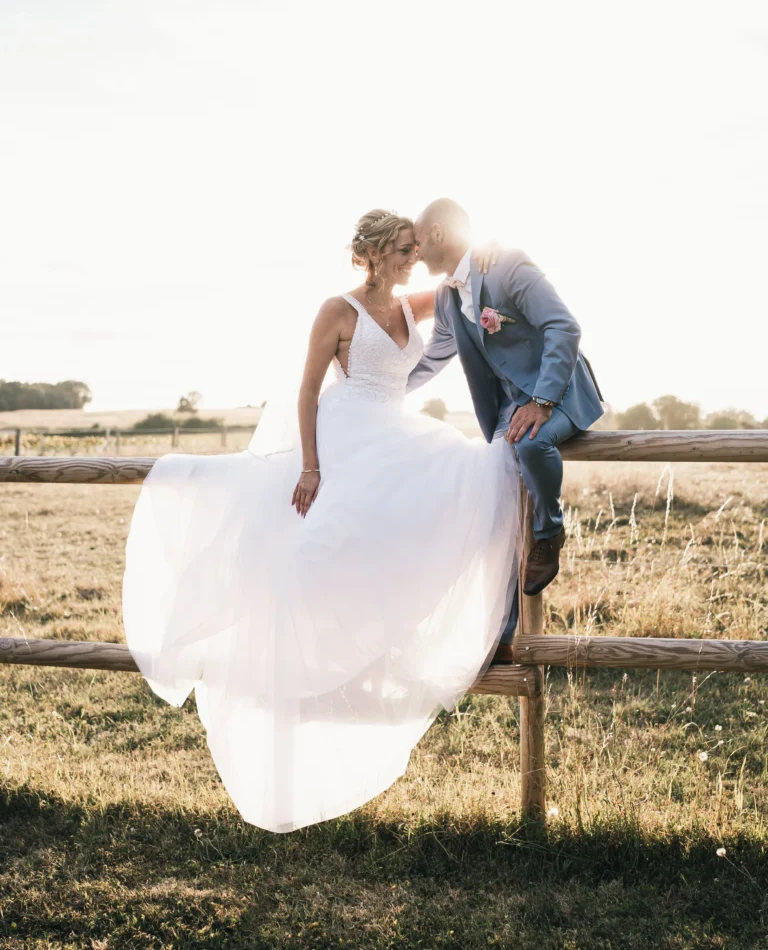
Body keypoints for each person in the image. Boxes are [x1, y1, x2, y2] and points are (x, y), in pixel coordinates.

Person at [122, 209, 522, 834]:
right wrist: (310, 466)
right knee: (322, 546)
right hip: (344, 434)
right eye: (403, 249)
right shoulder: (337, 311)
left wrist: (487, 255)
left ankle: (395, 641)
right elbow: (307, 391)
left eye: (415, 248)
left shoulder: (411, 303)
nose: (413, 258)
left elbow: (457, 285)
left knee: (463, 479)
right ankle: (313, 665)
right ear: (373, 253)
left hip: (394, 431)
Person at [408, 198, 604, 643]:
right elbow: (433, 358)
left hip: (558, 393)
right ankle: (504, 634)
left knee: (531, 443)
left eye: (417, 242)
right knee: (495, 514)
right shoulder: (446, 298)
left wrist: (542, 401)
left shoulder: (507, 265)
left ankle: (549, 533)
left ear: (437, 233)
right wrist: (379, 389)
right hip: (505, 411)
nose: (415, 253)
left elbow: (564, 327)